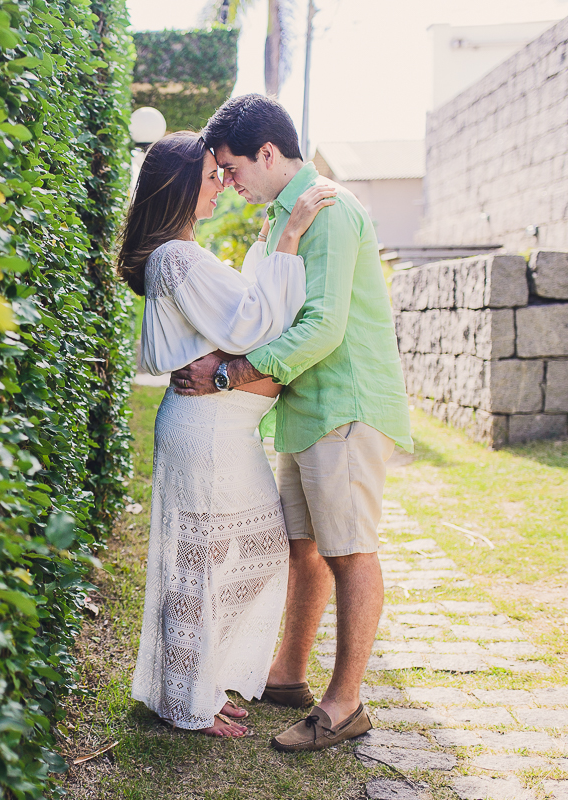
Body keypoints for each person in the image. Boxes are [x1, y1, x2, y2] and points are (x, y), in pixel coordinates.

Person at [172, 94, 413, 752]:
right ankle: (286, 677)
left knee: (349, 551)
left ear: (268, 153)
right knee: (303, 549)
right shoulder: (284, 215)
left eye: (231, 168)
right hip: (305, 409)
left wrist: (229, 374)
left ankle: (345, 705)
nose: (227, 182)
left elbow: (322, 328)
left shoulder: (327, 209)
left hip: (344, 404)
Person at [118, 131, 336, 738]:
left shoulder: (185, 254)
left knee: (243, 553)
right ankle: (188, 700)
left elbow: (241, 312)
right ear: (182, 184)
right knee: (203, 565)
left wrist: (266, 247)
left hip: (221, 428)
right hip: (207, 429)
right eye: (213, 175)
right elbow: (252, 325)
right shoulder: (176, 257)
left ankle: (199, 683)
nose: (222, 184)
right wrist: (287, 239)